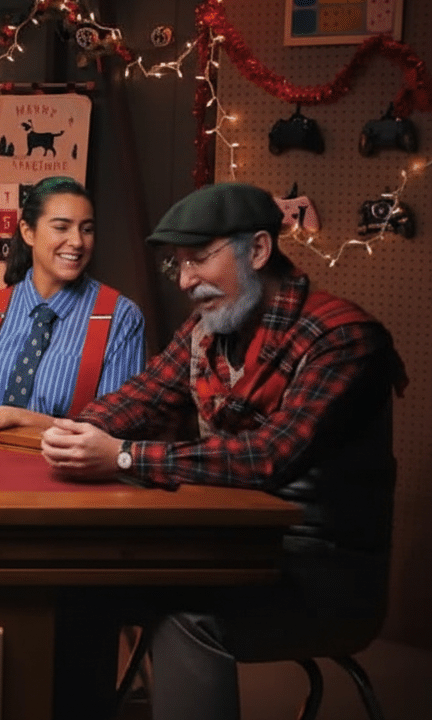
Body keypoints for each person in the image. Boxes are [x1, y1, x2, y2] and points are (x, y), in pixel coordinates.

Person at [40, 182, 406, 720]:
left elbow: (267, 457)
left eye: (199, 260)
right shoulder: (207, 329)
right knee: (77, 596)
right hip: (227, 545)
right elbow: (140, 399)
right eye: (177, 266)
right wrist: (75, 433)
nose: (186, 281)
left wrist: (122, 457)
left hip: (322, 575)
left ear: (258, 250)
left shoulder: (344, 339)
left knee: (185, 620)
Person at [0, 175, 145, 440]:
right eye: (61, 227)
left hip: (69, 477)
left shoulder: (121, 318)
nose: (78, 242)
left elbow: (116, 433)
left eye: (87, 229)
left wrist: (21, 418)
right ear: (28, 232)